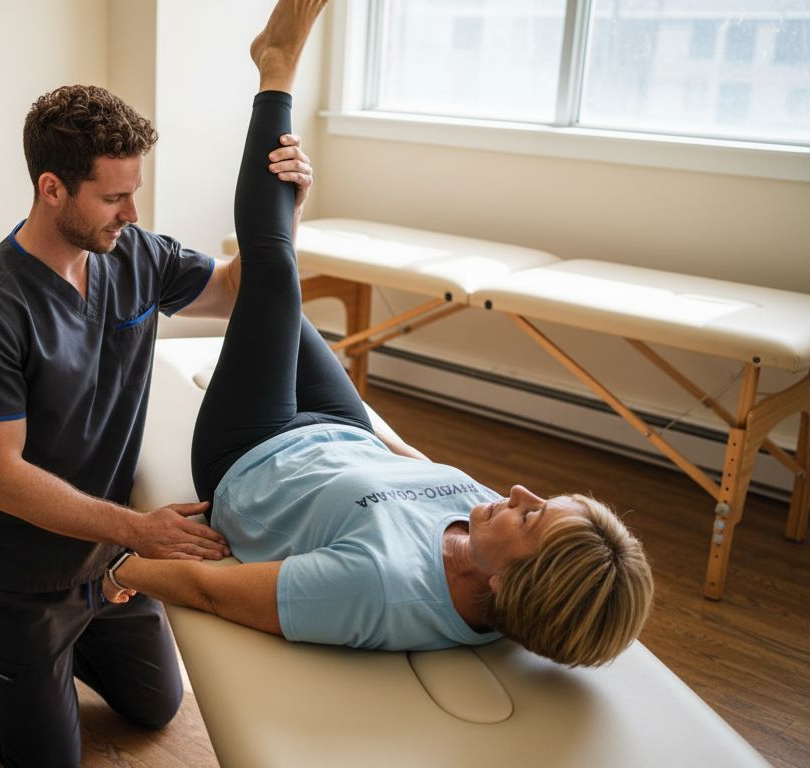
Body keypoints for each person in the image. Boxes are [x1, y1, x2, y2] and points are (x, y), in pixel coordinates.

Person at [102, 0, 654, 670]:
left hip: (251, 455)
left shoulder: (378, 590)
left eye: (532, 517)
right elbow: (413, 466)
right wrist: (366, 423)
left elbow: (210, 591)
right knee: (271, 288)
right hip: (342, 430)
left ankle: (276, 67)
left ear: (505, 586)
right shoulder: (489, 532)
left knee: (273, 274)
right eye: (542, 501)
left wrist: (119, 570)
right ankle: (280, 162)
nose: (518, 494)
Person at [0, 42, 316, 768]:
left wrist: (289, 206)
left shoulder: (131, 253)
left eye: (134, 191)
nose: (131, 211)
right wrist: (142, 528)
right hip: (22, 572)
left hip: (109, 562)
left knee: (157, 704)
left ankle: (63, 650)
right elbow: (1, 479)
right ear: (52, 189)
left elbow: (237, 288)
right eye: (113, 197)